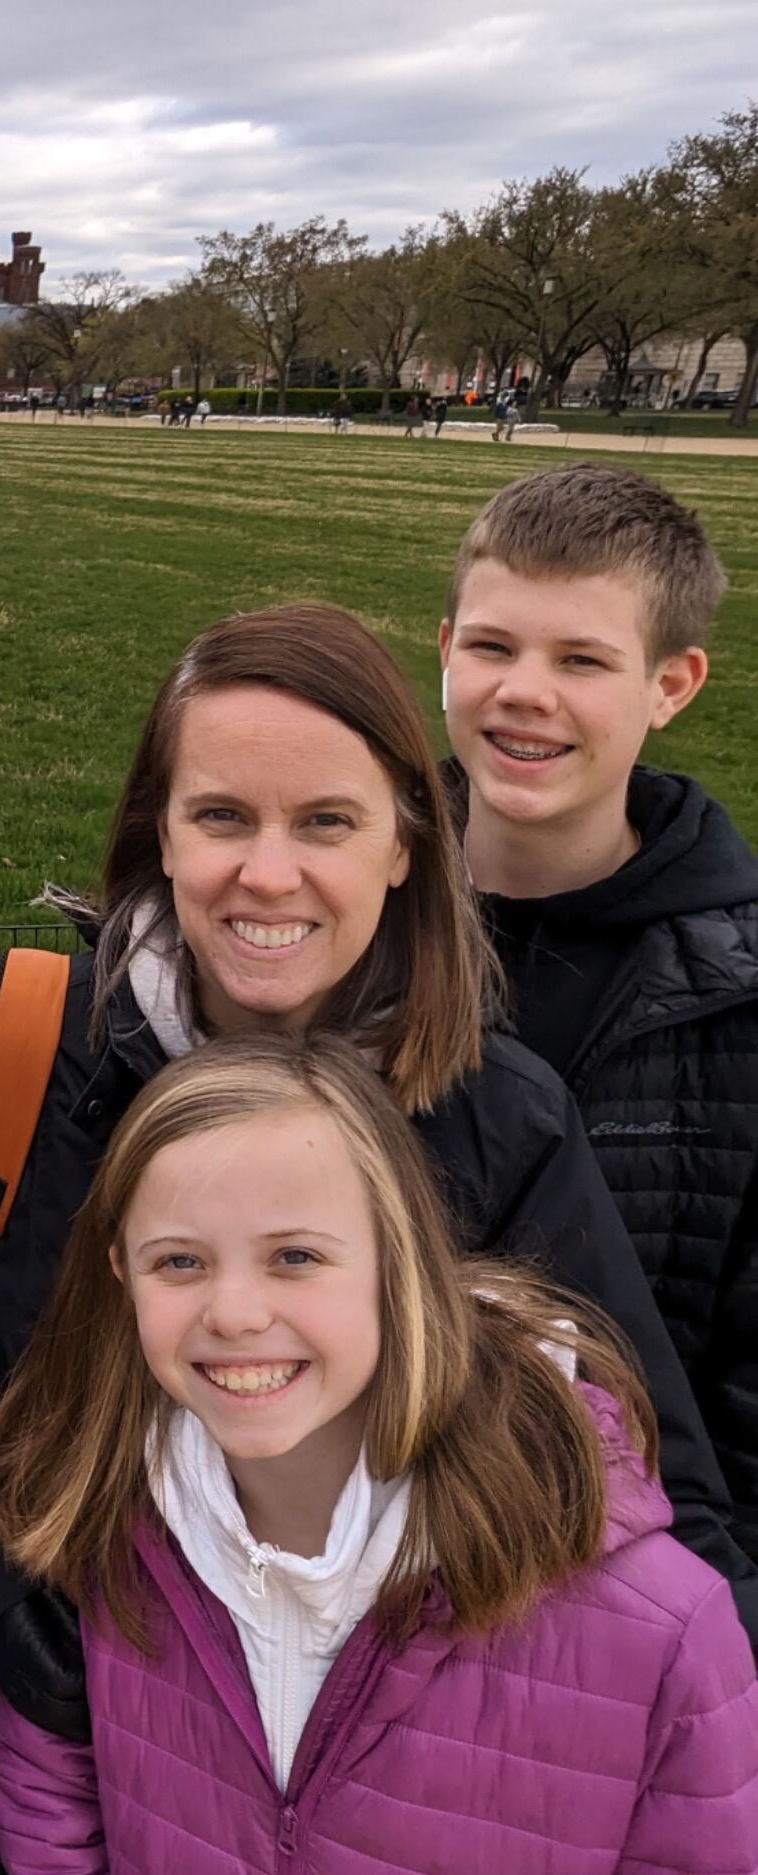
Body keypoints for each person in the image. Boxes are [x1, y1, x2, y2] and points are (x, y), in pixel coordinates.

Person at [0, 601, 755, 1875]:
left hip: (348, 1794)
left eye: (325, 823)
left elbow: (633, 1472)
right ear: (155, 839)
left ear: (405, 845)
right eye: (220, 816)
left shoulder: (497, 1120)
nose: (265, 874)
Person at [0, 1032, 758, 1872]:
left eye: (295, 1256)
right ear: (122, 1275)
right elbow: (51, 1793)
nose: (234, 1312)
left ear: (401, 1263)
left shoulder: (662, 1628)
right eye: (180, 1261)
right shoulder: (93, 1537)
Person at [439, 462, 758, 1564]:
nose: (525, 692)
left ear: (672, 685)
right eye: (493, 647)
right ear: (443, 651)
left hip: (619, 1583)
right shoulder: (335, 926)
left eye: (581, 660)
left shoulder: (734, 995)